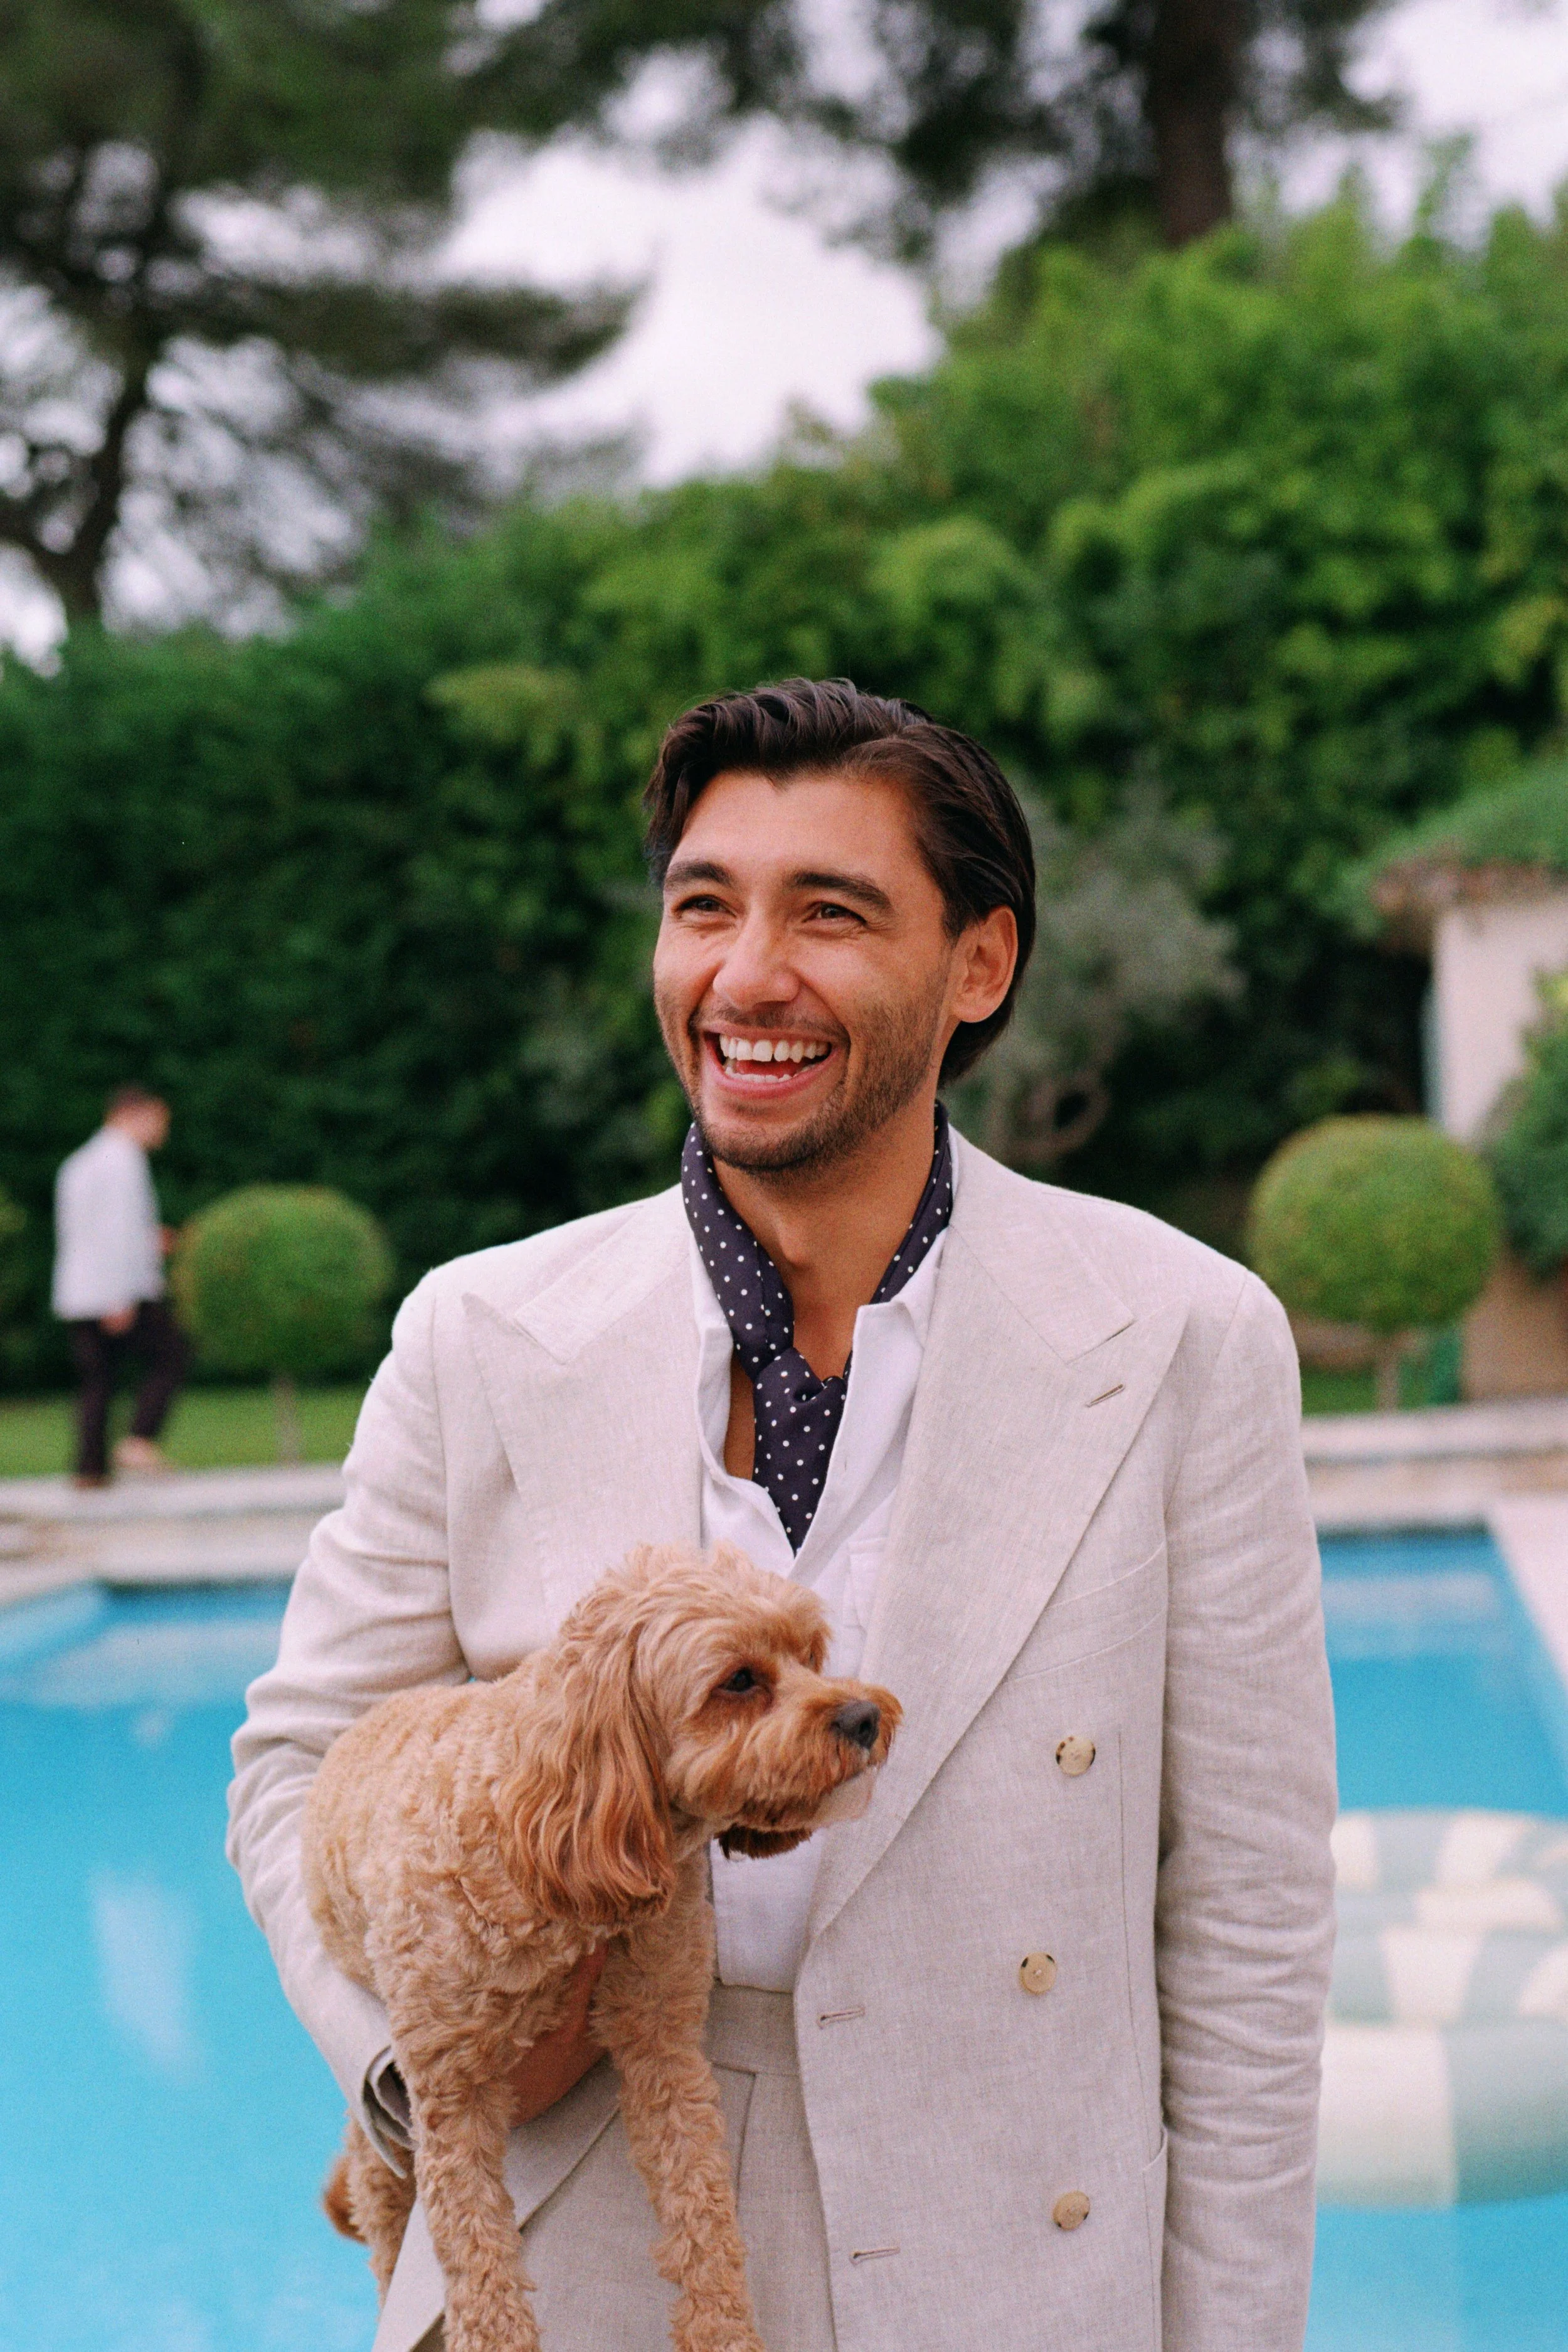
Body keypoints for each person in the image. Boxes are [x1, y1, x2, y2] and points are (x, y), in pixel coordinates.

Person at [229, 681, 1336, 2352]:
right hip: (579, 2254)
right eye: (702, 906)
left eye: (830, 911)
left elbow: (1249, 1910)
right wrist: (416, 2053)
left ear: (978, 963)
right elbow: (299, 1763)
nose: (748, 974)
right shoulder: (480, 1331)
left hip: (1021, 2266)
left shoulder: (1186, 1332)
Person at [53, 1085, 187, 1487]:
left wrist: (150, 1239)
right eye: (159, 1121)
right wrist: (118, 1297)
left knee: (98, 1379)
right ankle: (139, 1439)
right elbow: (114, 1233)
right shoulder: (122, 1160)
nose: (161, 1131)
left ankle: (91, 1470)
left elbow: (92, 1231)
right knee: (172, 1353)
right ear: (136, 1114)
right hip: (114, 1291)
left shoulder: (84, 1160)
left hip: (83, 1291)